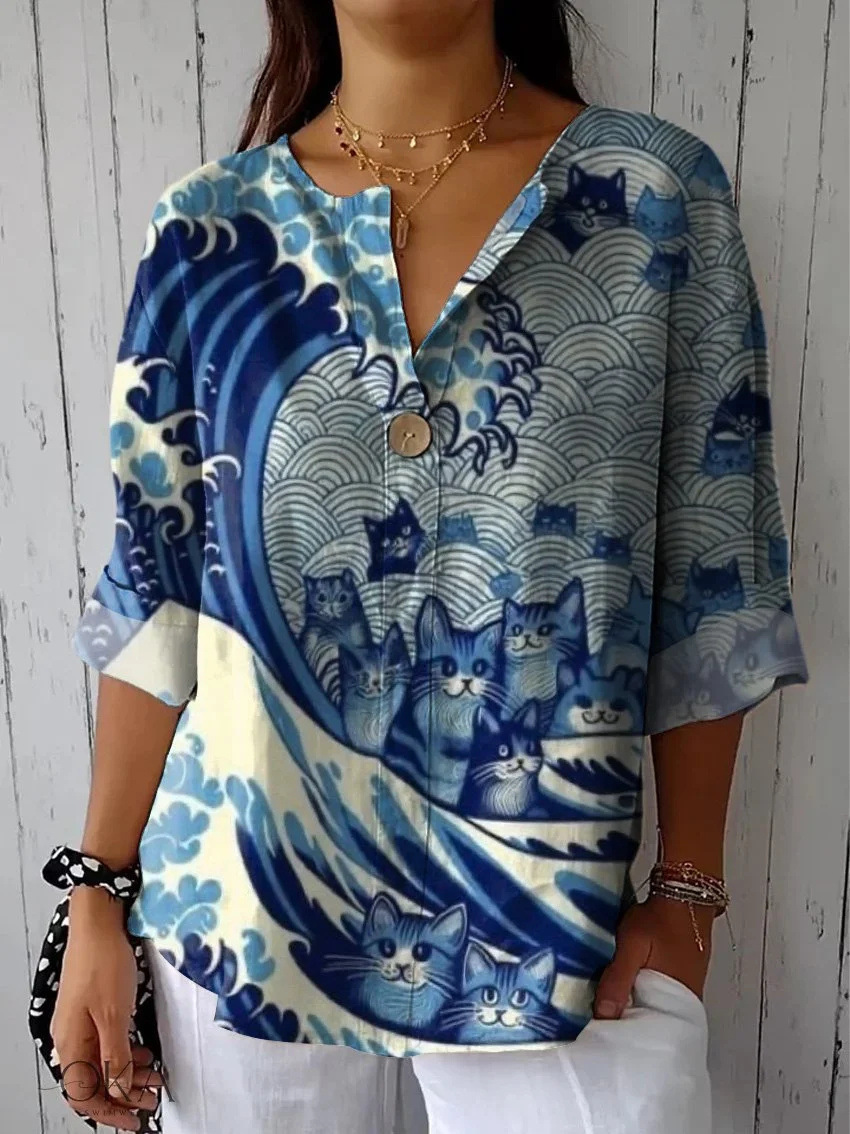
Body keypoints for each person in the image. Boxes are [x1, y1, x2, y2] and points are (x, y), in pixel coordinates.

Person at [46, 1, 809, 1132]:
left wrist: (688, 892)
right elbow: (155, 599)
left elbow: (715, 573)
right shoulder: (210, 229)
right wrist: (100, 901)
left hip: (562, 929)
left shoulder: (652, 196)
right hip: (242, 911)